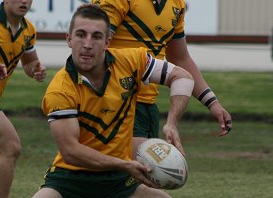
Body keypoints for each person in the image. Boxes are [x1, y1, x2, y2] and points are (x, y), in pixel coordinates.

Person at [32, 4, 194, 198]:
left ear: (108, 41)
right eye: (81, 35)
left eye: (97, 37)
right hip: (70, 181)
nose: (88, 44)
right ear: (69, 39)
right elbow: (70, 151)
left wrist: (172, 123)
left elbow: (182, 77)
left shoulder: (132, 61)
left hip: (120, 183)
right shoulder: (60, 90)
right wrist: (124, 164)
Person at [92, 0, 233, 159]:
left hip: (148, 107)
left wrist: (212, 102)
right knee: (144, 174)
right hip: (116, 102)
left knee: (143, 177)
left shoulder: (176, 3)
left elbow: (180, 58)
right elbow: (94, 43)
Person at [0, 0, 46, 197]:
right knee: (10, 146)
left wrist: (36, 70)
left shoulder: (28, 29)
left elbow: (30, 62)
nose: (24, 1)